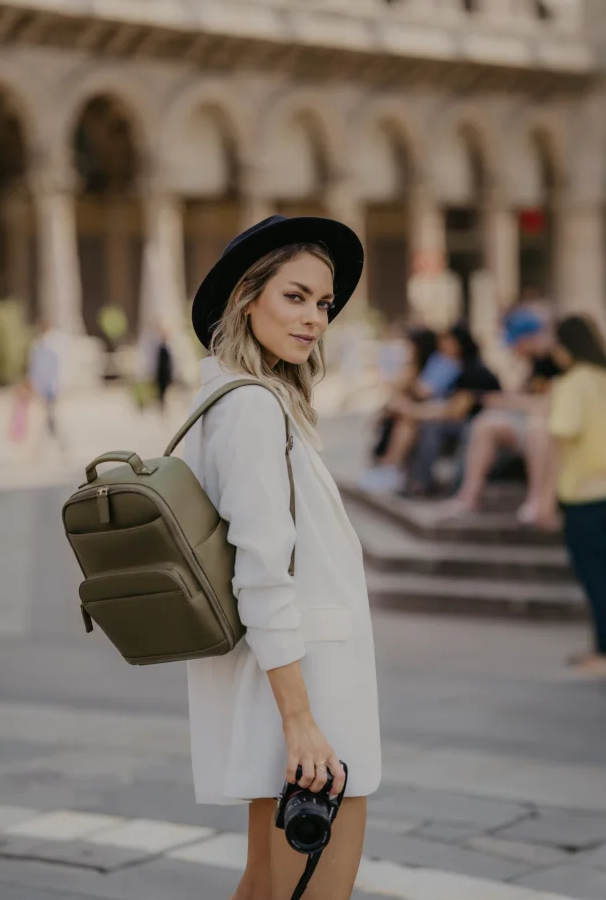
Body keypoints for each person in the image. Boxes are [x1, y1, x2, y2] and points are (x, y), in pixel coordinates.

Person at [184, 215, 378, 900]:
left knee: (265, 888)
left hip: (281, 692)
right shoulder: (252, 409)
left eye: (323, 303)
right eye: (294, 297)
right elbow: (261, 574)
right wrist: (301, 721)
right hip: (305, 701)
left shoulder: (228, 399)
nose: (316, 318)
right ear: (246, 296)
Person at [548, 314, 606, 680]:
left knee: (593, 575)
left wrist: (544, 495)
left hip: (582, 493)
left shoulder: (573, 383)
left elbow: (561, 434)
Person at [444, 308, 563, 526]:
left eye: (515, 342)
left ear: (528, 338)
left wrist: (507, 401)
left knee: (536, 425)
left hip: (552, 431)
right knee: (486, 423)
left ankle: (537, 499)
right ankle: (468, 496)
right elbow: (525, 396)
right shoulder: (532, 363)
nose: (512, 349)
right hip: (530, 426)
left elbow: (548, 404)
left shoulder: (556, 360)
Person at [367, 324, 502, 497]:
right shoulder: (451, 366)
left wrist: (417, 412)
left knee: (430, 427)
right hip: (460, 419)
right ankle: (396, 472)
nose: (442, 346)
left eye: (447, 341)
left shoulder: (473, 370)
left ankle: (419, 481)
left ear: (459, 343)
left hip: (475, 423)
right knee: (409, 421)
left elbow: (455, 411)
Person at [25, 318, 67, 451]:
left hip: (50, 388)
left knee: (49, 417)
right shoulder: (38, 347)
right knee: (47, 418)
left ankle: (46, 446)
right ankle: (53, 445)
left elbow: (56, 369)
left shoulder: (52, 347)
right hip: (43, 387)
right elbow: (34, 369)